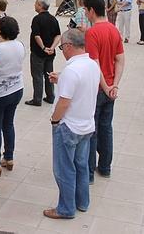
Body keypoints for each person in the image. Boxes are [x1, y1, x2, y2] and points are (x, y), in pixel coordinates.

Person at [43, 29, 100, 220]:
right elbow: (83, 86)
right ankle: (82, 202)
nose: (62, 51)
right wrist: (62, 79)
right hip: (86, 125)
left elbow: (64, 102)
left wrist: (55, 120)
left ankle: (66, 208)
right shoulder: (92, 65)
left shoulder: (72, 70)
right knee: (81, 165)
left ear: (68, 46)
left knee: (64, 169)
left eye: (62, 48)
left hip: (68, 127)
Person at [83, 0, 125, 183]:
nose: (85, 13)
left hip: (98, 89)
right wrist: (114, 85)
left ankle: (89, 172)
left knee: (92, 130)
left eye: (85, 10)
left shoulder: (92, 33)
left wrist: (106, 86)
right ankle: (105, 166)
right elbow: (120, 60)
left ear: (91, 10)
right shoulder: (113, 30)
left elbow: (95, 64)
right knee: (106, 128)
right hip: (110, 90)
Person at [0, 17, 25, 176]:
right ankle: (9, 157)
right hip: (17, 88)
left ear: (0, 31)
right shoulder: (20, 45)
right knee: (8, 124)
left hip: (1, 92)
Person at [25, 0, 61, 107]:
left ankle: (37, 99)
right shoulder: (53, 19)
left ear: (40, 6)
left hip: (38, 52)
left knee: (37, 75)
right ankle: (50, 96)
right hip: (50, 53)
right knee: (49, 74)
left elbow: (37, 35)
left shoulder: (37, 19)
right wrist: (52, 47)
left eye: (36, 4)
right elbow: (58, 35)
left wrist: (44, 48)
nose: (34, 5)